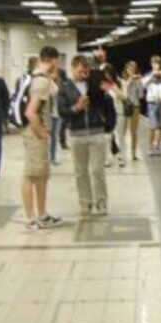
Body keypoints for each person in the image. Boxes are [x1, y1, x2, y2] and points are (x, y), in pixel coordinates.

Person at [59, 55, 116, 216]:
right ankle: (85, 202)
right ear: (73, 69)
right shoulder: (65, 87)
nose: (84, 74)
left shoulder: (96, 83)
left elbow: (110, 99)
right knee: (80, 171)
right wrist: (76, 107)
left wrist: (108, 126)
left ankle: (102, 202)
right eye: (80, 71)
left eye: (86, 71)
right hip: (77, 135)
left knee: (98, 170)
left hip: (97, 133)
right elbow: (62, 111)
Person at [21, 47, 63, 231]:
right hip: (35, 134)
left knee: (42, 176)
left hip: (38, 134)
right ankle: (31, 219)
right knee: (30, 176)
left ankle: (42, 215)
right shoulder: (40, 82)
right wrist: (42, 134)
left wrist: (54, 75)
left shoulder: (43, 79)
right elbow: (30, 112)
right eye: (57, 61)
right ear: (53, 60)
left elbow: (56, 91)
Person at [103, 65, 128, 168]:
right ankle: (108, 159)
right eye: (105, 75)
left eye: (108, 74)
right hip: (107, 113)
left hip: (119, 112)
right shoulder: (103, 84)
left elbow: (124, 97)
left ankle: (122, 157)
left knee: (120, 136)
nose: (107, 77)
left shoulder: (121, 83)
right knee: (107, 137)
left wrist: (114, 88)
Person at [122, 61, 144, 161]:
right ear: (126, 70)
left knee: (133, 131)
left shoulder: (138, 80)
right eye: (130, 68)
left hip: (135, 107)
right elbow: (123, 91)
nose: (132, 70)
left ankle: (133, 153)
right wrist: (130, 80)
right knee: (122, 130)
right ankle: (122, 153)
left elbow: (141, 96)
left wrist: (139, 83)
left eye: (134, 68)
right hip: (125, 107)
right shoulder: (122, 80)